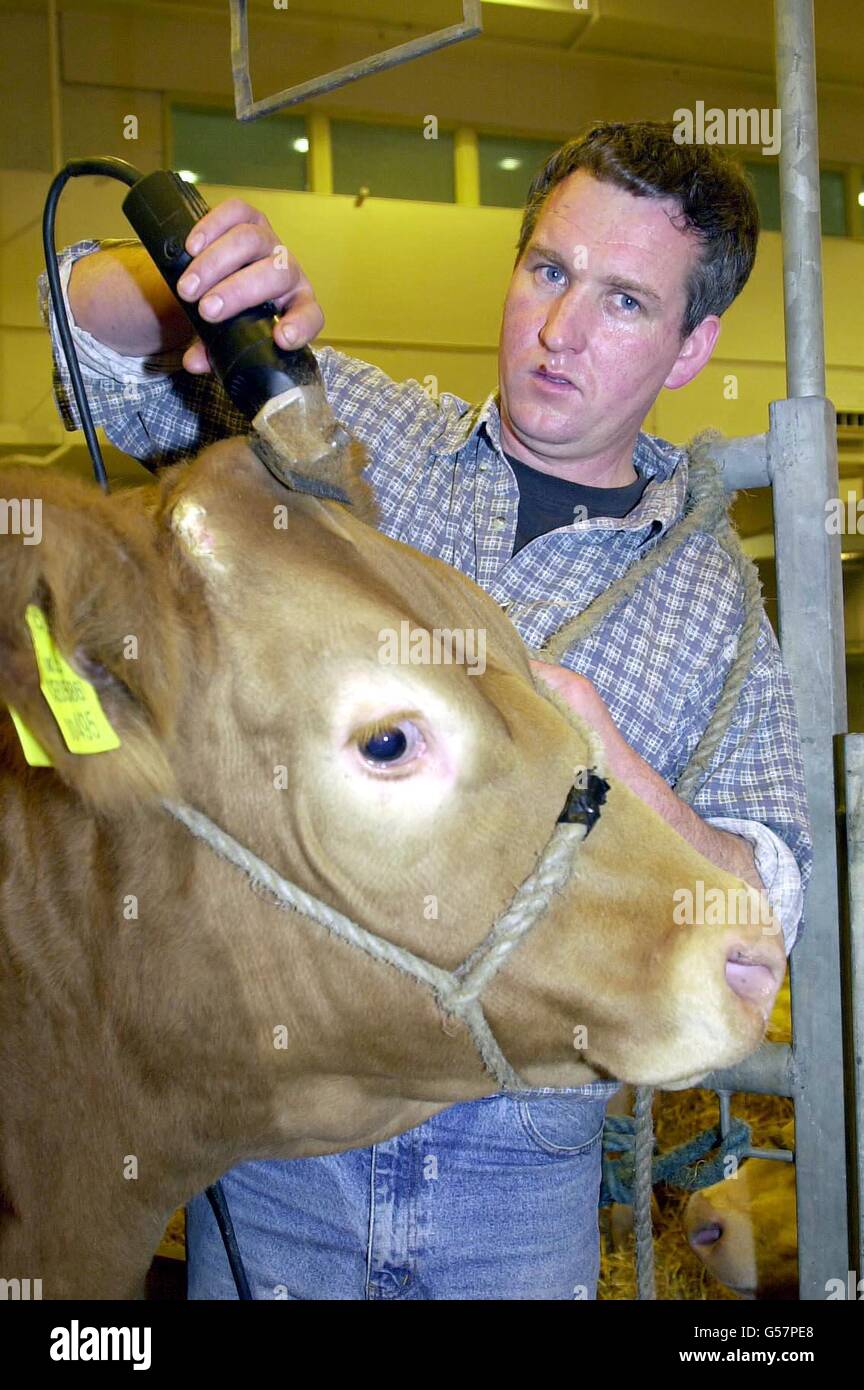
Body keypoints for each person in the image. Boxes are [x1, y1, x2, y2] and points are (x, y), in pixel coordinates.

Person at [38, 119, 811, 1301]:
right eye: (547, 270)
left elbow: (766, 892)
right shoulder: (330, 438)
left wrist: (610, 768)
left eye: (623, 303)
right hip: (286, 1144)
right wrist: (182, 280)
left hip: (522, 1171)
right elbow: (88, 348)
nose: (559, 331)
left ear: (694, 343)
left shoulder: (713, 594)